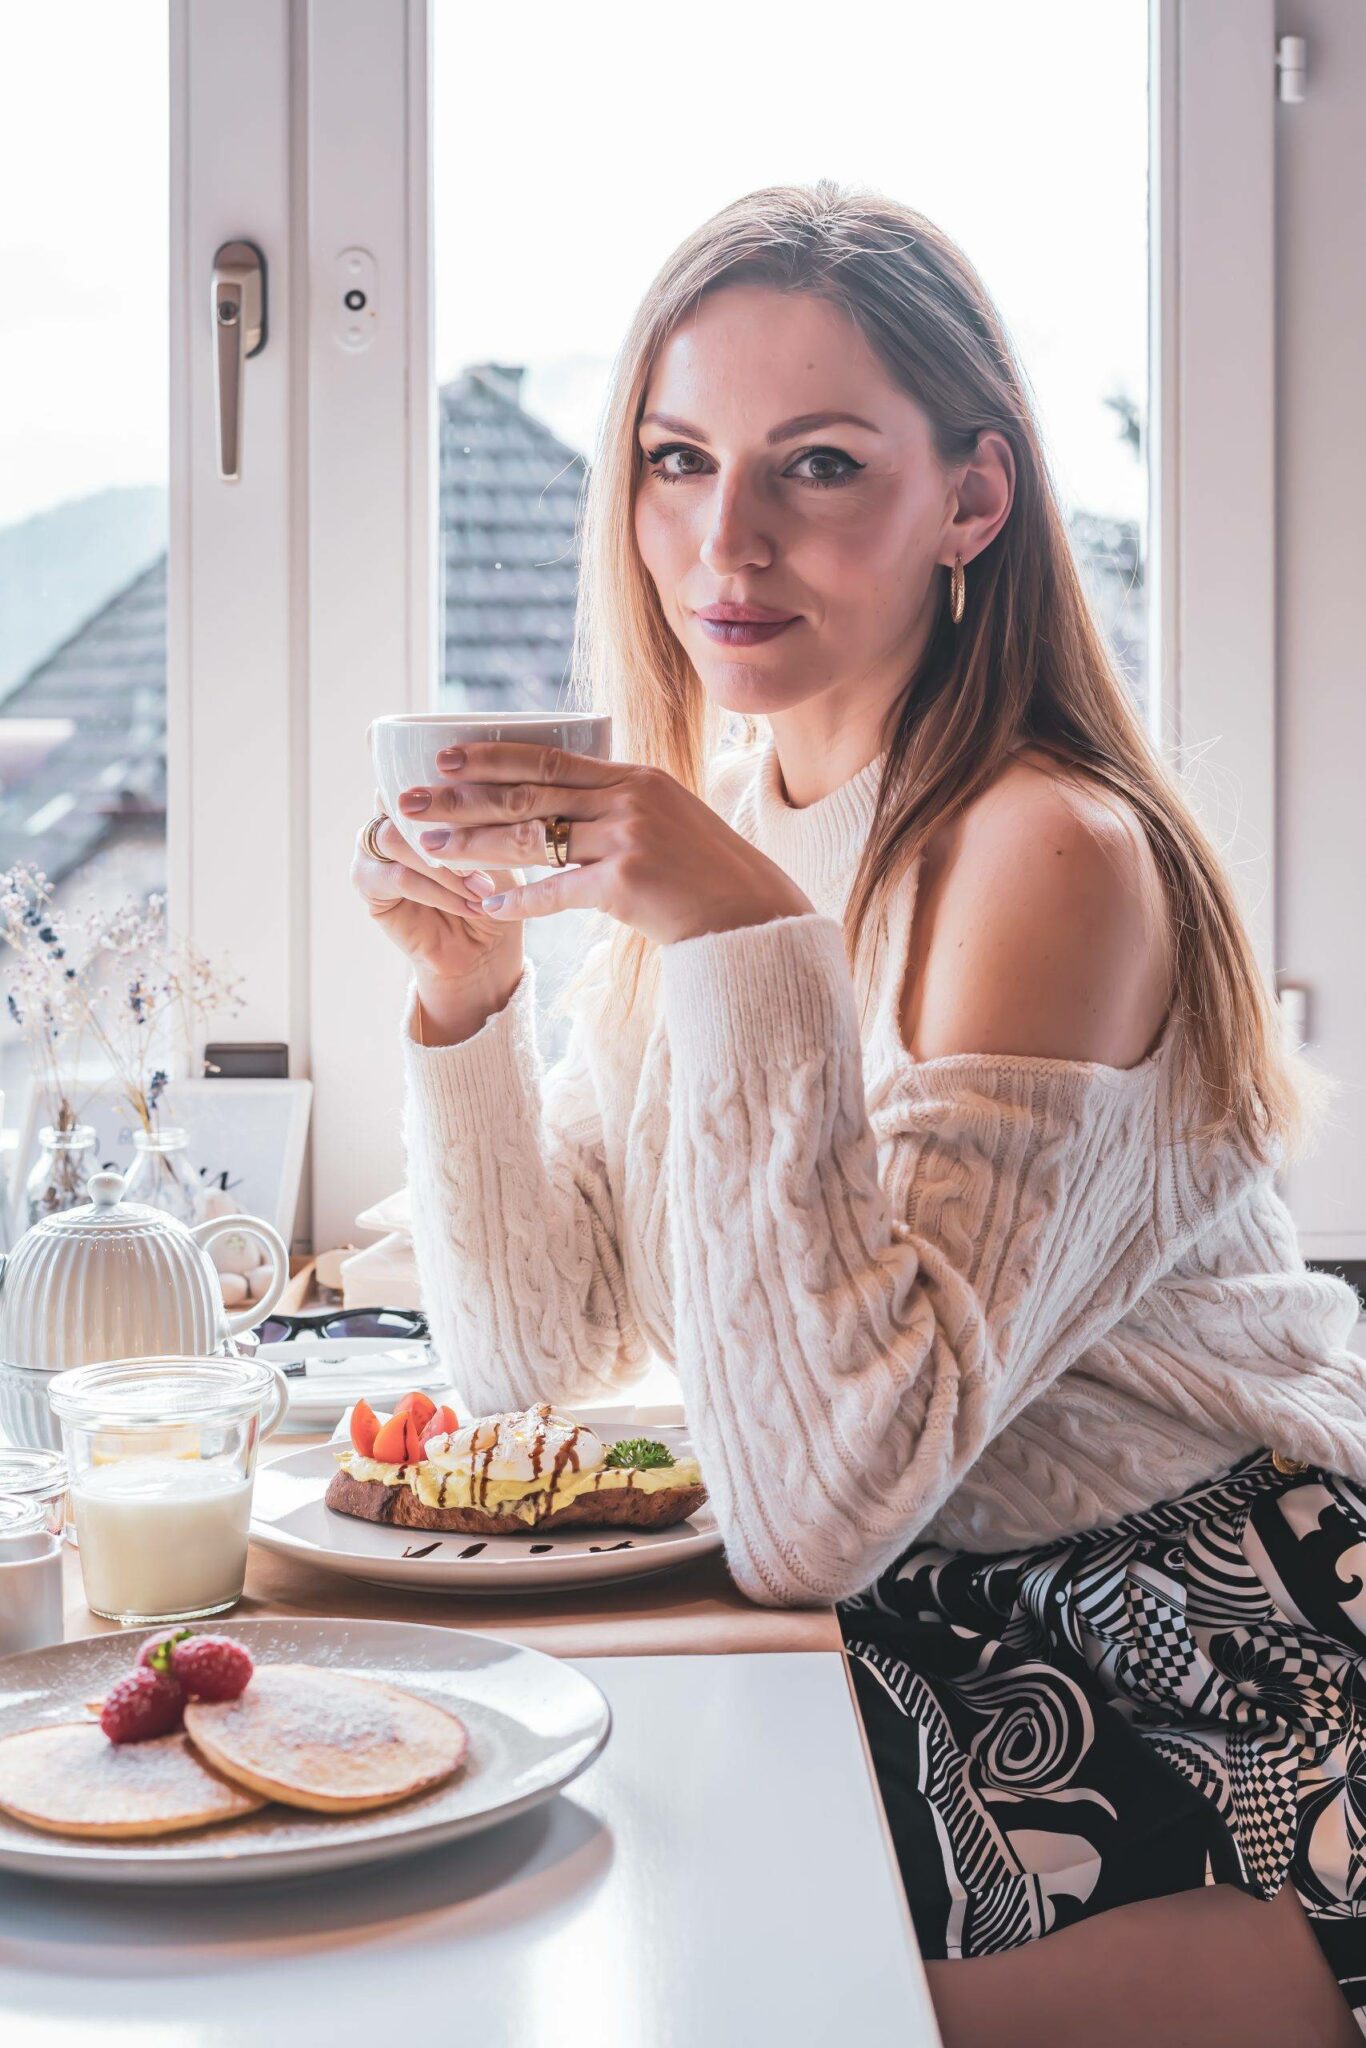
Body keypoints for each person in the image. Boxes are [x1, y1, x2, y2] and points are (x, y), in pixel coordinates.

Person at [353, 182, 1366, 2046]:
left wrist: (737, 927)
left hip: (1211, 1675)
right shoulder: (730, 809)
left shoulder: (1039, 851)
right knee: (486, 1853)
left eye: (815, 466)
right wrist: (463, 994)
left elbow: (818, 1507)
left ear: (969, 501)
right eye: (676, 459)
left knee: (622, 1928)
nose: (723, 538)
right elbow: (535, 1360)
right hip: (942, 1621)